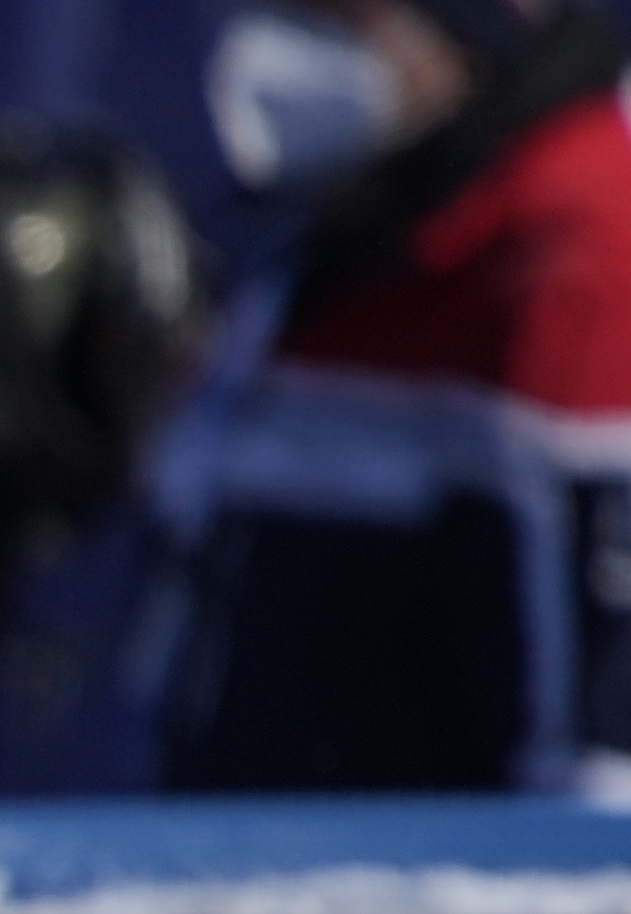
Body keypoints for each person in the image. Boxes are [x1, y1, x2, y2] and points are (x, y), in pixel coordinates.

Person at [151, 0, 631, 789]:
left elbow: (594, 797)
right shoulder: (350, 231)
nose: (278, 51)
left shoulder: (576, 282)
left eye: (334, 20)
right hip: (247, 881)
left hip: (404, 897)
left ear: (466, 37)